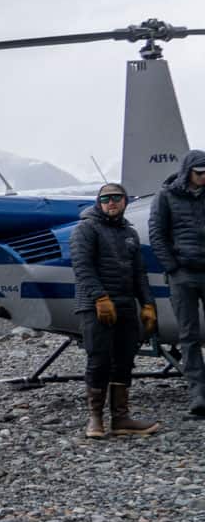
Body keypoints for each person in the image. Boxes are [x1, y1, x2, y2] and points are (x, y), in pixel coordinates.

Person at [71, 182, 160, 438]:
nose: (111, 202)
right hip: (93, 306)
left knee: (124, 360)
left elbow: (139, 273)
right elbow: (82, 266)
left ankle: (121, 419)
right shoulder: (85, 229)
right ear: (99, 203)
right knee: (98, 360)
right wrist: (99, 297)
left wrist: (147, 303)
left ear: (125, 202)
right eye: (106, 198)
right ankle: (95, 419)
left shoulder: (129, 234)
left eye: (117, 198)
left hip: (124, 305)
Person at [148, 149, 205, 419]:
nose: (204, 177)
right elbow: (157, 234)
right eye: (200, 173)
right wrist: (173, 267)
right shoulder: (166, 196)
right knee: (189, 335)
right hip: (183, 274)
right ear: (187, 172)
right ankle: (198, 394)